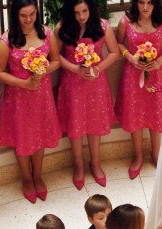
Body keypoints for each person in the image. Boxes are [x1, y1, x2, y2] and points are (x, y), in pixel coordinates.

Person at [0, 0, 61, 203]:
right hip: (18, 98)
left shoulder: (47, 33)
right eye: (23, 15)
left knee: (40, 133)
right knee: (21, 136)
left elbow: (56, 60)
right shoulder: (7, 41)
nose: (28, 19)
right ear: (15, 15)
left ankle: (38, 175)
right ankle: (26, 178)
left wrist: (41, 71)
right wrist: (24, 83)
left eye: (32, 14)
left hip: (42, 95)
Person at [56, 0, 118, 190]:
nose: (81, 16)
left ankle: (96, 163)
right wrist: (75, 68)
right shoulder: (62, 27)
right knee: (75, 126)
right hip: (72, 84)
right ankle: (78, 165)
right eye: (76, 13)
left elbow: (114, 52)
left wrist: (98, 68)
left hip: (95, 84)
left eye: (85, 11)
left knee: (95, 123)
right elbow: (54, 55)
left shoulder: (102, 25)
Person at [115, 0, 162, 179]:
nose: (145, 7)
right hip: (133, 76)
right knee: (135, 114)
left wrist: (159, 60)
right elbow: (119, 43)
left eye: (149, 3)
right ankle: (138, 156)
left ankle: (156, 153)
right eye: (141, 2)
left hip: (157, 74)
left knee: (155, 113)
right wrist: (129, 57)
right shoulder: (125, 21)